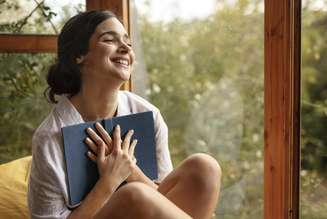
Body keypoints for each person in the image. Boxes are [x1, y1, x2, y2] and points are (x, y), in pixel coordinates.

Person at [27, 10, 222, 219]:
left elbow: (164, 203)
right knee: (134, 194)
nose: (125, 49)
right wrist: (109, 182)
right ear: (79, 55)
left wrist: (130, 171)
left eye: (128, 43)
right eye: (109, 40)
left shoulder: (147, 113)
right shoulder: (50, 137)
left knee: (204, 167)